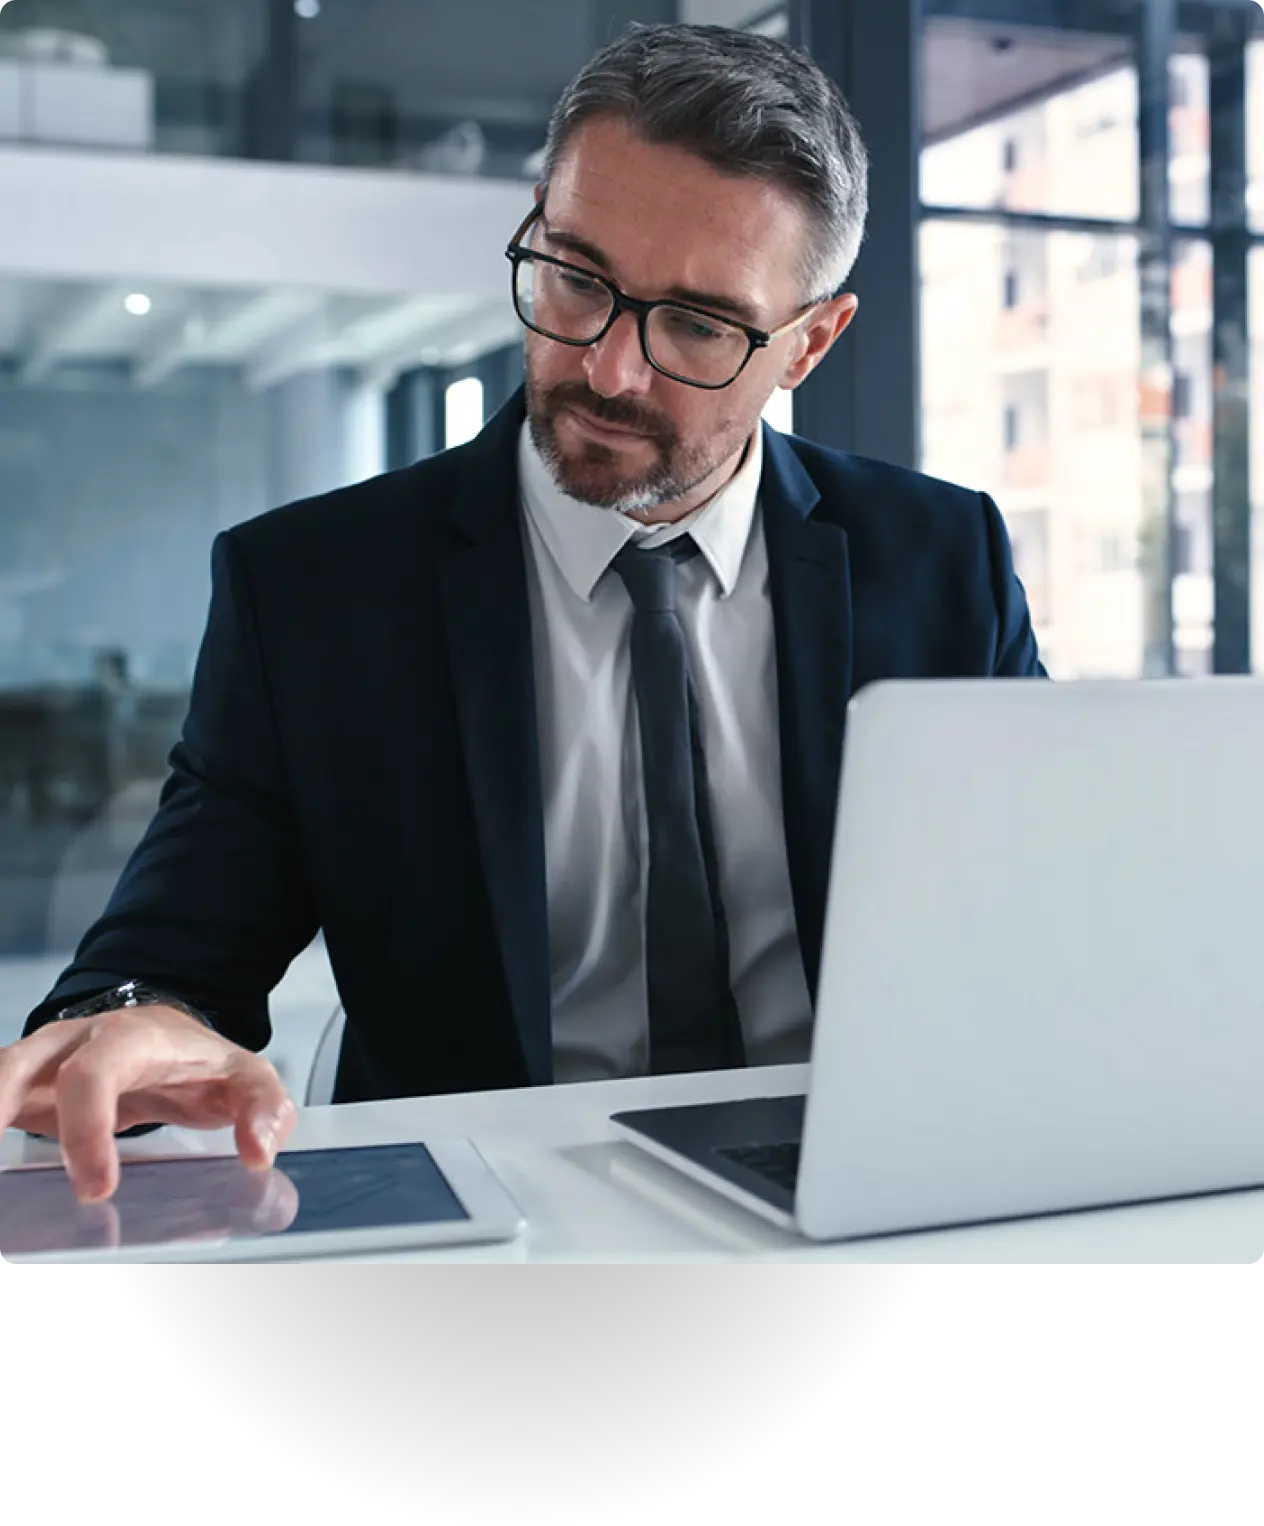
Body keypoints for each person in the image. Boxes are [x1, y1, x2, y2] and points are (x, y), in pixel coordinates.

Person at [0, 21, 1046, 1206]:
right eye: (577, 279)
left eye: (698, 325)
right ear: (537, 225)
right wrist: (128, 1022)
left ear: (809, 342)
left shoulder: (942, 556)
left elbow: (1044, 908)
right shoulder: (314, 590)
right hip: (494, 1211)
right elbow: (168, 953)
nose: (606, 370)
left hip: (869, 1189)